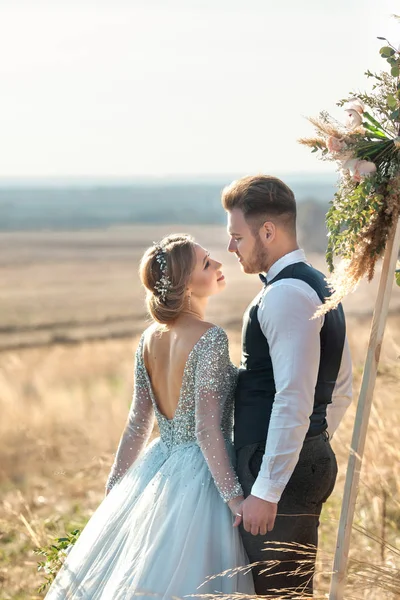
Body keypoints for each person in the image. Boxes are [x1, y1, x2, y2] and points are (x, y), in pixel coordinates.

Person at [44, 233, 254, 600]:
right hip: (201, 475)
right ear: (185, 285)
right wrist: (234, 497)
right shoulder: (211, 338)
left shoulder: (148, 339)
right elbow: (206, 429)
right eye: (207, 263)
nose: (219, 264)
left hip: (157, 468)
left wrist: (117, 489)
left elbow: (137, 424)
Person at [222, 175, 353, 598]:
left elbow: (293, 397)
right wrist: (314, 436)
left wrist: (268, 487)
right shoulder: (318, 283)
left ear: (267, 231)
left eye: (237, 236)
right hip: (296, 459)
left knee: (279, 594)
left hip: (275, 471)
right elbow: (341, 385)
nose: (231, 248)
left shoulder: (283, 295)